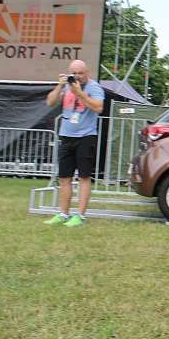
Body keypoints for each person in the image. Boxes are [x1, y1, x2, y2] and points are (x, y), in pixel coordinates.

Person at [44, 60, 104, 227]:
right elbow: (49, 102)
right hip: (66, 135)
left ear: (87, 73)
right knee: (64, 177)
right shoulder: (66, 86)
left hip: (86, 136)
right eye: (74, 73)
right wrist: (59, 86)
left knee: (83, 177)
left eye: (80, 73)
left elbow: (98, 108)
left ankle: (80, 215)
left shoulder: (93, 87)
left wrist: (79, 93)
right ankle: (63, 213)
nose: (77, 76)